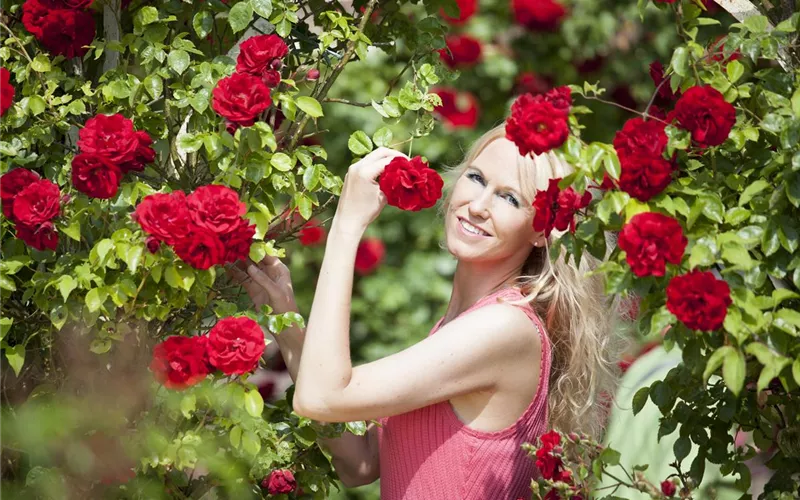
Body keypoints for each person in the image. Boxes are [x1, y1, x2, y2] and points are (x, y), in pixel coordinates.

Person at [234, 123, 622, 499]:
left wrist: (348, 223)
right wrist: (284, 315)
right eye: (476, 178)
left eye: (510, 198)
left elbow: (321, 398)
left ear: (541, 230)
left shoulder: (505, 326)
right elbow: (361, 463)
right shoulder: (464, 324)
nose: (479, 205)